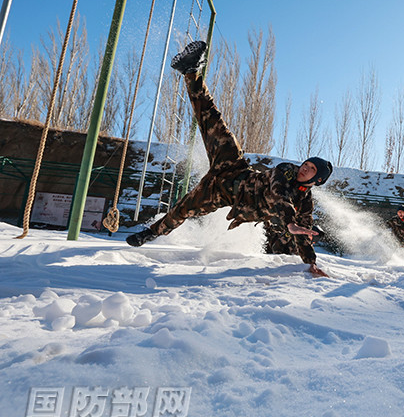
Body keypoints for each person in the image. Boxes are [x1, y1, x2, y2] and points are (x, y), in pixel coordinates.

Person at [127, 41, 331, 278]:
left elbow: (304, 235)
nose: (304, 168)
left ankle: (150, 233)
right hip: (234, 168)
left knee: (183, 210)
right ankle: (191, 71)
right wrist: (289, 222)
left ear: (316, 180)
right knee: (214, 122)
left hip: (222, 194)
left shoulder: (305, 203)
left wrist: (311, 263)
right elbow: (278, 195)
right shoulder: (286, 171)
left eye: (310, 170)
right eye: (306, 164)